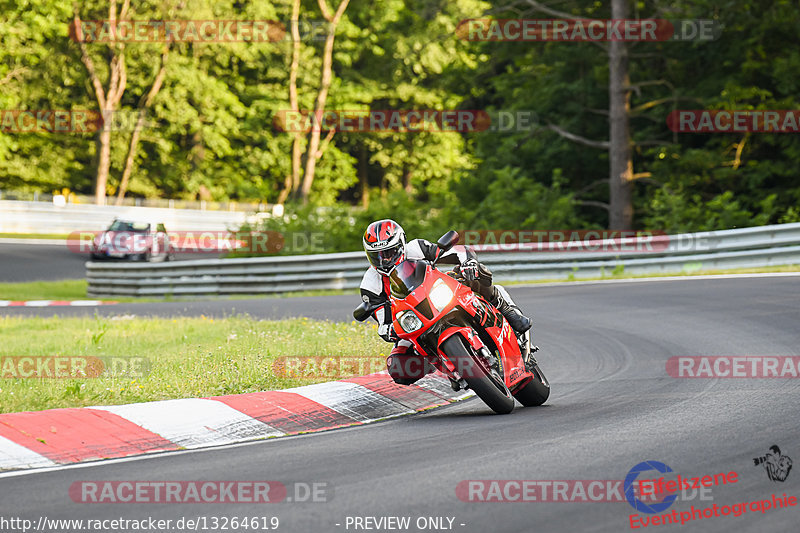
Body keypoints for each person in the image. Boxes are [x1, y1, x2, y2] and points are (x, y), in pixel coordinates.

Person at [359, 219, 531, 385]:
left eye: (388, 253)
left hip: (439, 291)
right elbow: (383, 321)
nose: (384, 260)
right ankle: (443, 363)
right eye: (377, 256)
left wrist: (468, 262)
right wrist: (388, 330)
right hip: (413, 321)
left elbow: (456, 251)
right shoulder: (370, 284)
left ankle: (507, 309)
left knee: (473, 273)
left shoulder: (415, 248)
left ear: (401, 244)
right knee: (398, 367)